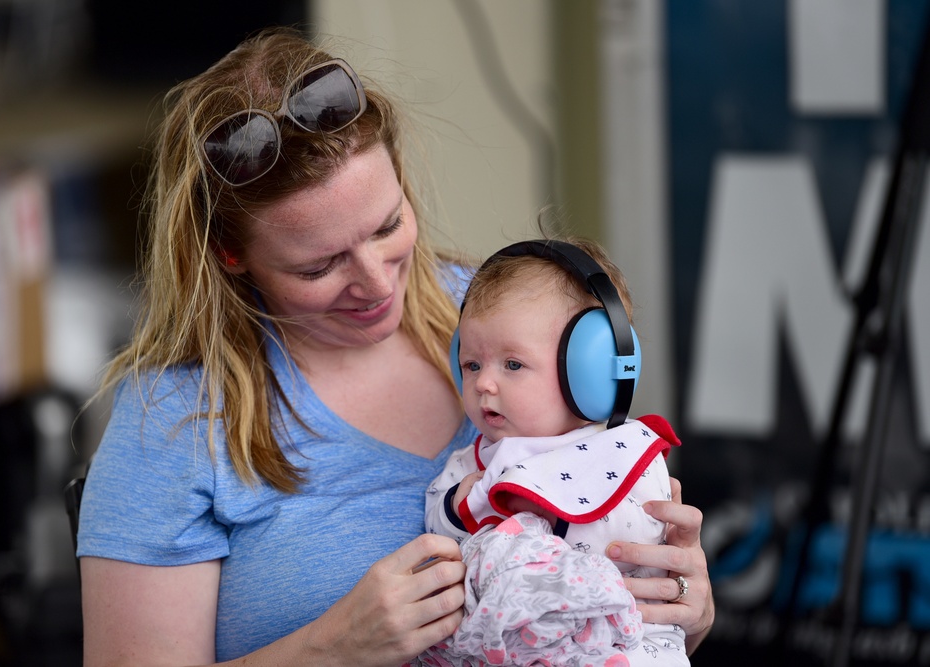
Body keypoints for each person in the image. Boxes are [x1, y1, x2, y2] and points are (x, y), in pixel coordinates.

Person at [75, 27, 714, 666]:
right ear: (231, 255)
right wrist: (332, 648)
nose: (379, 282)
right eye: (319, 266)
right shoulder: (174, 421)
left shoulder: (505, 314)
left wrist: (683, 606)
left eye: (387, 226)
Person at [417, 238, 688, 666]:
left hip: (629, 644)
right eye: (472, 364)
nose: (484, 383)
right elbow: (438, 527)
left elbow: (641, 549)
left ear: (592, 371)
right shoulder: (477, 461)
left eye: (512, 365)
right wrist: (457, 504)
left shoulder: (624, 452)